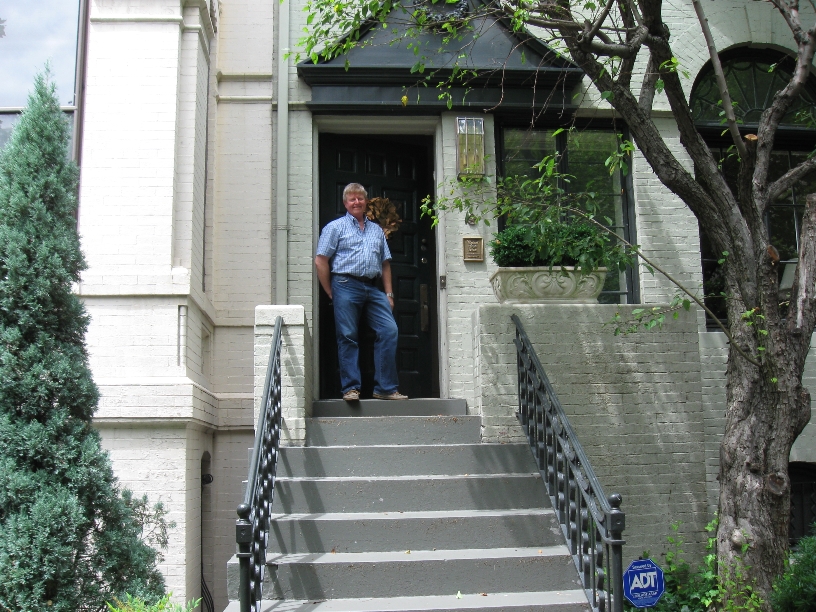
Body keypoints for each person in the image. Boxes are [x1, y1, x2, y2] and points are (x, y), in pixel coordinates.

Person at [315, 183, 408, 402]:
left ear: (365, 202)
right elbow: (321, 261)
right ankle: (351, 388)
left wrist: (389, 294)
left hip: (372, 287)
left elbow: (385, 263)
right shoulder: (335, 227)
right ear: (345, 203)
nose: (356, 202)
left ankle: (385, 388)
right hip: (345, 283)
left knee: (389, 330)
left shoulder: (376, 230)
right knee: (347, 336)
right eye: (351, 199)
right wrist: (330, 291)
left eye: (360, 198)